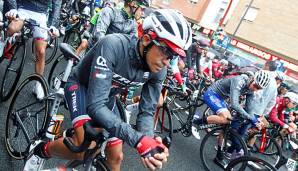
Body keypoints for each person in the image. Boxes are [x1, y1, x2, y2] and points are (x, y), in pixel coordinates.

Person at [28, 9, 192, 171]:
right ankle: (40, 151)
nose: (167, 61)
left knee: (116, 157)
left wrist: (150, 144)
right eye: (166, 51)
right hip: (81, 87)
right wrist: (138, 140)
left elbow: (147, 112)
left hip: (108, 98)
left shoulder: (159, 70)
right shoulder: (113, 44)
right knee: (85, 149)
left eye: (173, 56)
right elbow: (96, 106)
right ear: (147, 39)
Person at [192, 70, 270, 163]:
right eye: (256, 86)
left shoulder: (251, 91)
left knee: (227, 124)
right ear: (252, 79)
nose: (255, 89)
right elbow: (234, 104)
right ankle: (197, 122)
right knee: (225, 118)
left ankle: (219, 155)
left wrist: (256, 120)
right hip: (212, 93)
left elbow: (250, 110)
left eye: (259, 88)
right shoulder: (239, 80)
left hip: (221, 99)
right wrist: (250, 118)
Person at [5, 0, 61, 99]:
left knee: (41, 51)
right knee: (13, 28)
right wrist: (12, 8)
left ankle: (38, 84)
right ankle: (4, 40)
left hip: (41, 14)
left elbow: (57, 4)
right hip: (22, 7)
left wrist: (53, 25)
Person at [75, 0, 149, 56]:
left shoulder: (133, 24)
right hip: (94, 51)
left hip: (111, 57)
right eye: (142, 9)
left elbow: (132, 46)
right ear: (133, 3)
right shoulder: (109, 11)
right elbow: (99, 34)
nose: (142, 13)